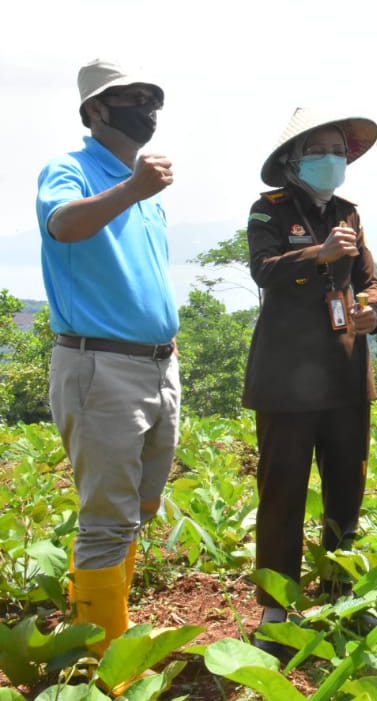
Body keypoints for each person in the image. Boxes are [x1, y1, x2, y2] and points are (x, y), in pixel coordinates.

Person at [37, 59, 179, 654]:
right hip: (100, 366)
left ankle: (107, 627)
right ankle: (106, 660)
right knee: (108, 518)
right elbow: (63, 226)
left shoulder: (143, 187)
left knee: (141, 504)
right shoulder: (71, 170)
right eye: (131, 98)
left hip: (157, 364)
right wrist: (131, 190)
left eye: (152, 98)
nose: (146, 109)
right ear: (96, 110)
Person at [242, 109, 377, 651]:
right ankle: (276, 610)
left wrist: (370, 309)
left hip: (345, 373)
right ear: (293, 161)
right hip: (285, 377)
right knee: (282, 492)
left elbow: (369, 282)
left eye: (338, 151)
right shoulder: (269, 209)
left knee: (347, 487)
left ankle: (341, 595)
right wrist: (317, 254)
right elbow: (263, 268)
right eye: (319, 151)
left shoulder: (349, 212)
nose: (332, 160)